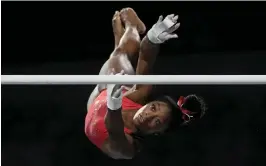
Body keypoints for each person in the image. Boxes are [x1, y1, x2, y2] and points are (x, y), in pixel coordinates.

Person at [85, 8, 207, 159]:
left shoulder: (129, 148)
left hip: (99, 103)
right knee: (120, 55)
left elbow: (114, 131)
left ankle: (120, 38)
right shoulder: (140, 95)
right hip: (111, 91)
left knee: (118, 56)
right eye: (153, 107)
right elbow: (146, 59)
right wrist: (152, 38)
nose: (148, 114)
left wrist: (114, 102)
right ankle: (132, 26)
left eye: (156, 121)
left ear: (158, 132)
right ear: (150, 102)